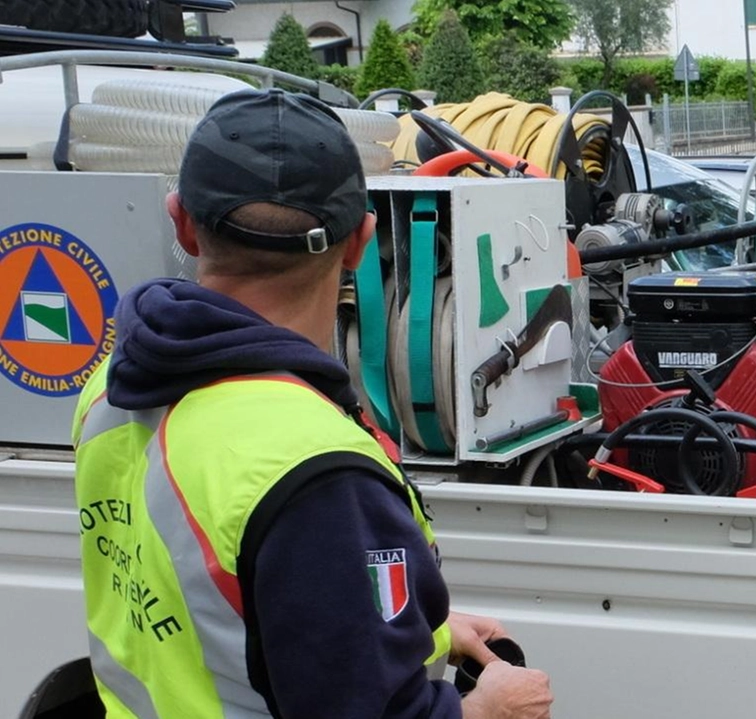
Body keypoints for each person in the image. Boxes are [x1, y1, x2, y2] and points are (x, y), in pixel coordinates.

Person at [70, 88, 553, 719]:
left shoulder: (110, 385)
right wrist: (488, 711)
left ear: (183, 224)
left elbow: (224, 603)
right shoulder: (313, 469)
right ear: (360, 242)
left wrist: (418, 627)